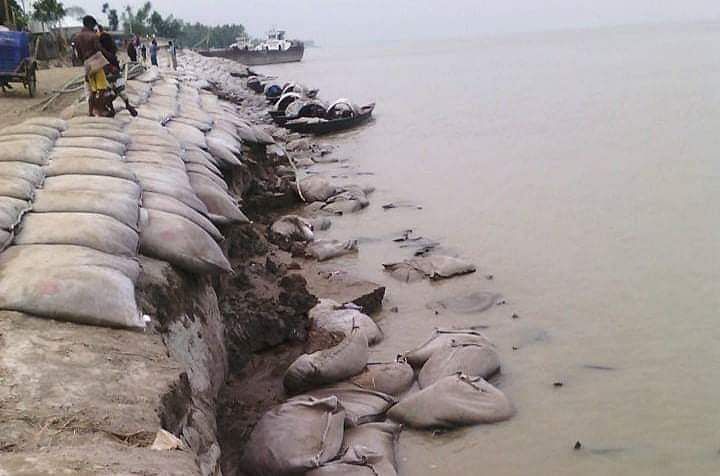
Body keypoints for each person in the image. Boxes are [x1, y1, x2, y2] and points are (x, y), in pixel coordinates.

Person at [74, 15, 113, 116]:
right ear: (90, 24)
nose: (94, 27)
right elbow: (99, 49)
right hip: (96, 63)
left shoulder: (77, 37)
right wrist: (109, 56)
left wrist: (85, 61)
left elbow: (78, 54)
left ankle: (90, 111)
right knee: (102, 88)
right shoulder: (93, 36)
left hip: (87, 64)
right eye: (93, 25)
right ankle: (100, 109)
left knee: (92, 90)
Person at [98, 26, 137, 117]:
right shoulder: (112, 50)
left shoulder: (102, 50)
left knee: (108, 92)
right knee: (121, 89)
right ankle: (127, 104)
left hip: (107, 72)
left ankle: (111, 108)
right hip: (116, 72)